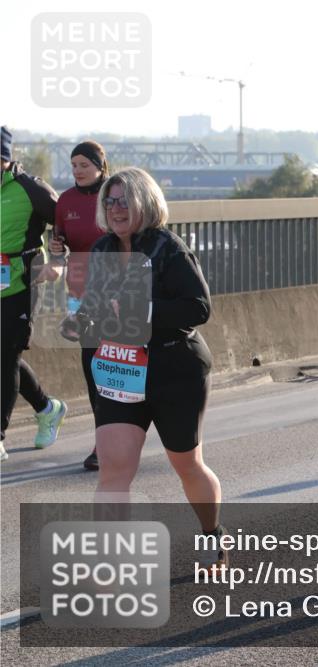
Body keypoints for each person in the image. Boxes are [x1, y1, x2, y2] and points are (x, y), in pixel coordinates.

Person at [59, 167, 226, 567]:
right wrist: (78, 321)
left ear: (145, 203)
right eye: (110, 201)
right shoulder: (100, 250)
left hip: (174, 366)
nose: (116, 208)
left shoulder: (168, 247)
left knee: (187, 464)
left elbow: (198, 308)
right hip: (122, 366)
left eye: (124, 200)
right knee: (113, 470)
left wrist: (143, 310)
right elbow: (97, 305)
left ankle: (211, 536)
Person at [41, 141, 110, 471]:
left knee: (118, 370)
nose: (78, 170)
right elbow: (58, 252)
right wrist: (57, 249)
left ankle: (121, 439)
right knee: (94, 371)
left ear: (100, 165)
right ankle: (103, 444)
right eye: (74, 165)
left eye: (85, 164)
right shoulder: (65, 201)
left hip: (118, 296)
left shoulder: (114, 195)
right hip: (81, 296)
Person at [1, 125, 68, 462]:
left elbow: (65, 221)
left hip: (22, 282)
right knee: (4, 356)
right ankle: (47, 408)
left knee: (7, 354)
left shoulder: (31, 189)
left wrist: (57, 260)